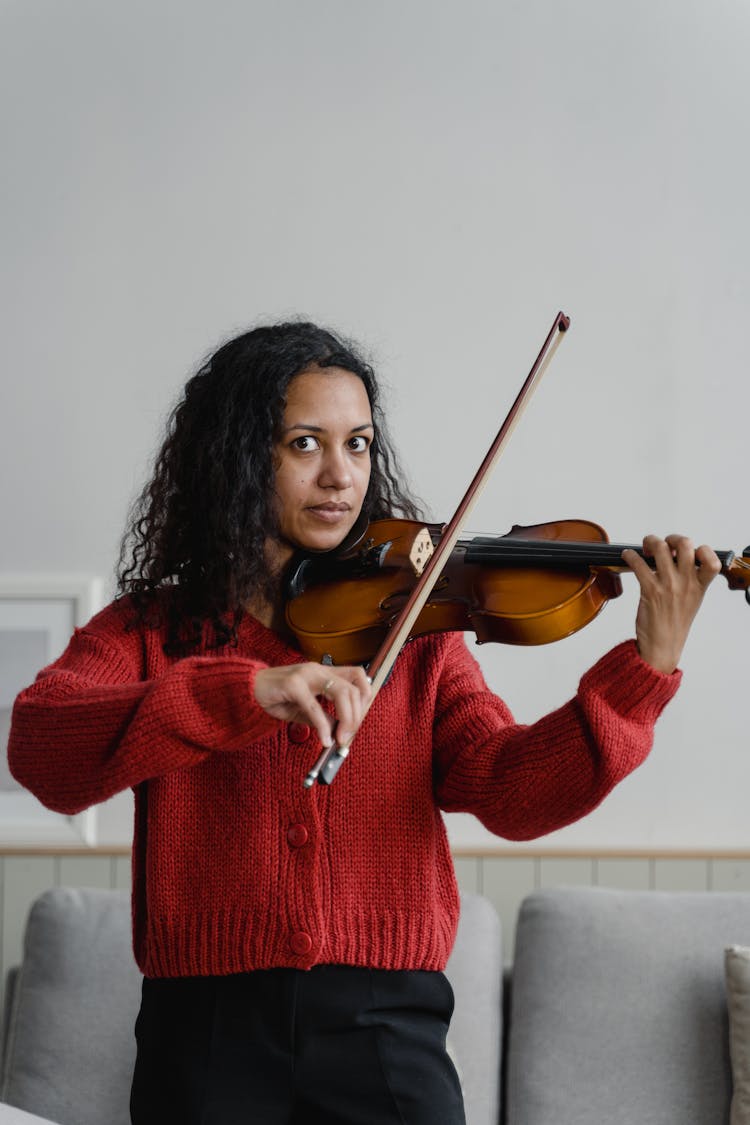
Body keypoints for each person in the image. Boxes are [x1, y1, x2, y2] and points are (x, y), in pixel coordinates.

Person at [8, 321, 720, 1125]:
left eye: (359, 444)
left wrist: (643, 673)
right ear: (239, 458)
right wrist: (243, 693)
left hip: (387, 1027)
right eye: (305, 443)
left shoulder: (415, 636)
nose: (340, 475)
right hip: (206, 1030)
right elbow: (41, 744)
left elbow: (512, 788)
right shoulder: (150, 628)